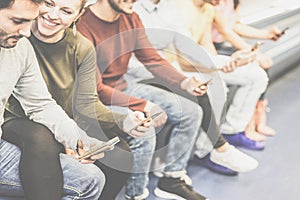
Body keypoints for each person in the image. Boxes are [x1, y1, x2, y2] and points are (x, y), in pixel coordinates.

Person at [77, 0, 258, 199]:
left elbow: (152, 59)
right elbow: (96, 89)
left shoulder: (131, 18)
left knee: (191, 111)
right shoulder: (83, 25)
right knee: (144, 130)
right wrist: (145, 105)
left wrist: (185, 82)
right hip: (97, 99)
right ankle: (135, 195)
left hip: (123, 87)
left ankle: (171, 178)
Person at [4, 0, 153, 199]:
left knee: (119, 155)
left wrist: (76, 138)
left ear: (79, 15)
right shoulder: (18, 36)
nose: (53, 15)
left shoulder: (30, 47)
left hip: (58, 119)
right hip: (19, 122)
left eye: (66, 11)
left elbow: (49, 105)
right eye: (49, 4)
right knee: (41, 137)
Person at [132, 0, 260, 176]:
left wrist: (227, 62)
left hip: (162, 68)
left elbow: (186, 46)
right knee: (199, 92)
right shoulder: (133, 9)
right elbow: (151, 60)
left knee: (203, 88)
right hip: (137, 74)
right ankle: (219, 148)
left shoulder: (166, 7)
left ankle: (207, 152)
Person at [0, 0, 106, 199]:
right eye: (17, 21)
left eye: (29, 21)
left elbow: (40, 105)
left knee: (91, 179)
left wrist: (77, 138)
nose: (26, 32)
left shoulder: (21, 48)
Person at [174, 0, 270, 147]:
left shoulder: (208, 8)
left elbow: (206, 43)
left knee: (257, 76)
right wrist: (217, 65)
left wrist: (220, 65)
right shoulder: (178, 9)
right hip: (176, 65)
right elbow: (183, 59)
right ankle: (205, 149)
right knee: (218, 89)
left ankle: (230, 131)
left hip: (200, 61)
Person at [212, 0, 281, 136]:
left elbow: (235, 26)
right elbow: (225, 31)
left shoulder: (233, 2)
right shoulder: (213, 3)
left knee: (263, 65)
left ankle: (257, 117)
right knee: (257, 66)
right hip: (211, 49)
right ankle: (246, 127)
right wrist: (253, 53)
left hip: (219, 45)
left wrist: (267, 34)